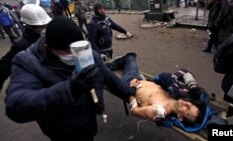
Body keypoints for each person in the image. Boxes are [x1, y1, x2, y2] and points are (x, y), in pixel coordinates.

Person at [5, 17, 136, 141]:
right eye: (68, 51)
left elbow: (107, 75)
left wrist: (129, 93)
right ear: (48, 47)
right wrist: (70, 89)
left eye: (78, 48)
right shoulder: (28, 62)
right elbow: (16, 106)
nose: (75, 56)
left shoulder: (85, 53)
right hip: (62, 129)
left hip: (88, 119)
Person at [106, 53, 210, 129]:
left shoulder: (159, 111)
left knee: (99, 69)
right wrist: (192, 85)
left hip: (125, 85)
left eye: (187, 110)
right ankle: (113, 65)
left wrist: (132, 89)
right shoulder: (175, 93)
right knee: (131, 56)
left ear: (180, 117)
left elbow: (134, 111)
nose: (187, 104)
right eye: (191, 105)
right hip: (138, 78)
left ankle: (108, 66)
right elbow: (184, 73)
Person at [0, 4, 51, 91]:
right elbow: (4, 67)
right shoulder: (21, 45)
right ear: (31, 26)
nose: (45, 29)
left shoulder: (49, 37)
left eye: (47, 25)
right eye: (42, 26)